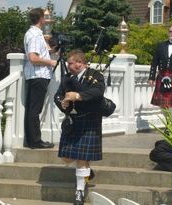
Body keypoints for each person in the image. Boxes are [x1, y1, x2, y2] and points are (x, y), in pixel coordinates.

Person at [54, 50, 105, 205]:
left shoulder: (95, 75)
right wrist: (63, 103)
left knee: (82, 158)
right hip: (73, 121)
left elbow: (98, 92)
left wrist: (78, 96)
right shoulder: (67, 79)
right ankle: (87, 173)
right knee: (66, 157)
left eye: (70, 63)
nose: (68, 66)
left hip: (89, 120)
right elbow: (57, 96)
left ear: (80, 63)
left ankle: (79, 192)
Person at [24, 8, 57, 149]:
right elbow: (33, 58)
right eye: (45, 17)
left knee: (31, 109)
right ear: (41, 18)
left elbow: (40, 52)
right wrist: (50, 62)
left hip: (34, 75)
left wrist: (54, 51)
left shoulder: (32, 34)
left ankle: (31, 140)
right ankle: (36, 141)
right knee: (35, 110)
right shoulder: (36, 35)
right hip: (39, 75)